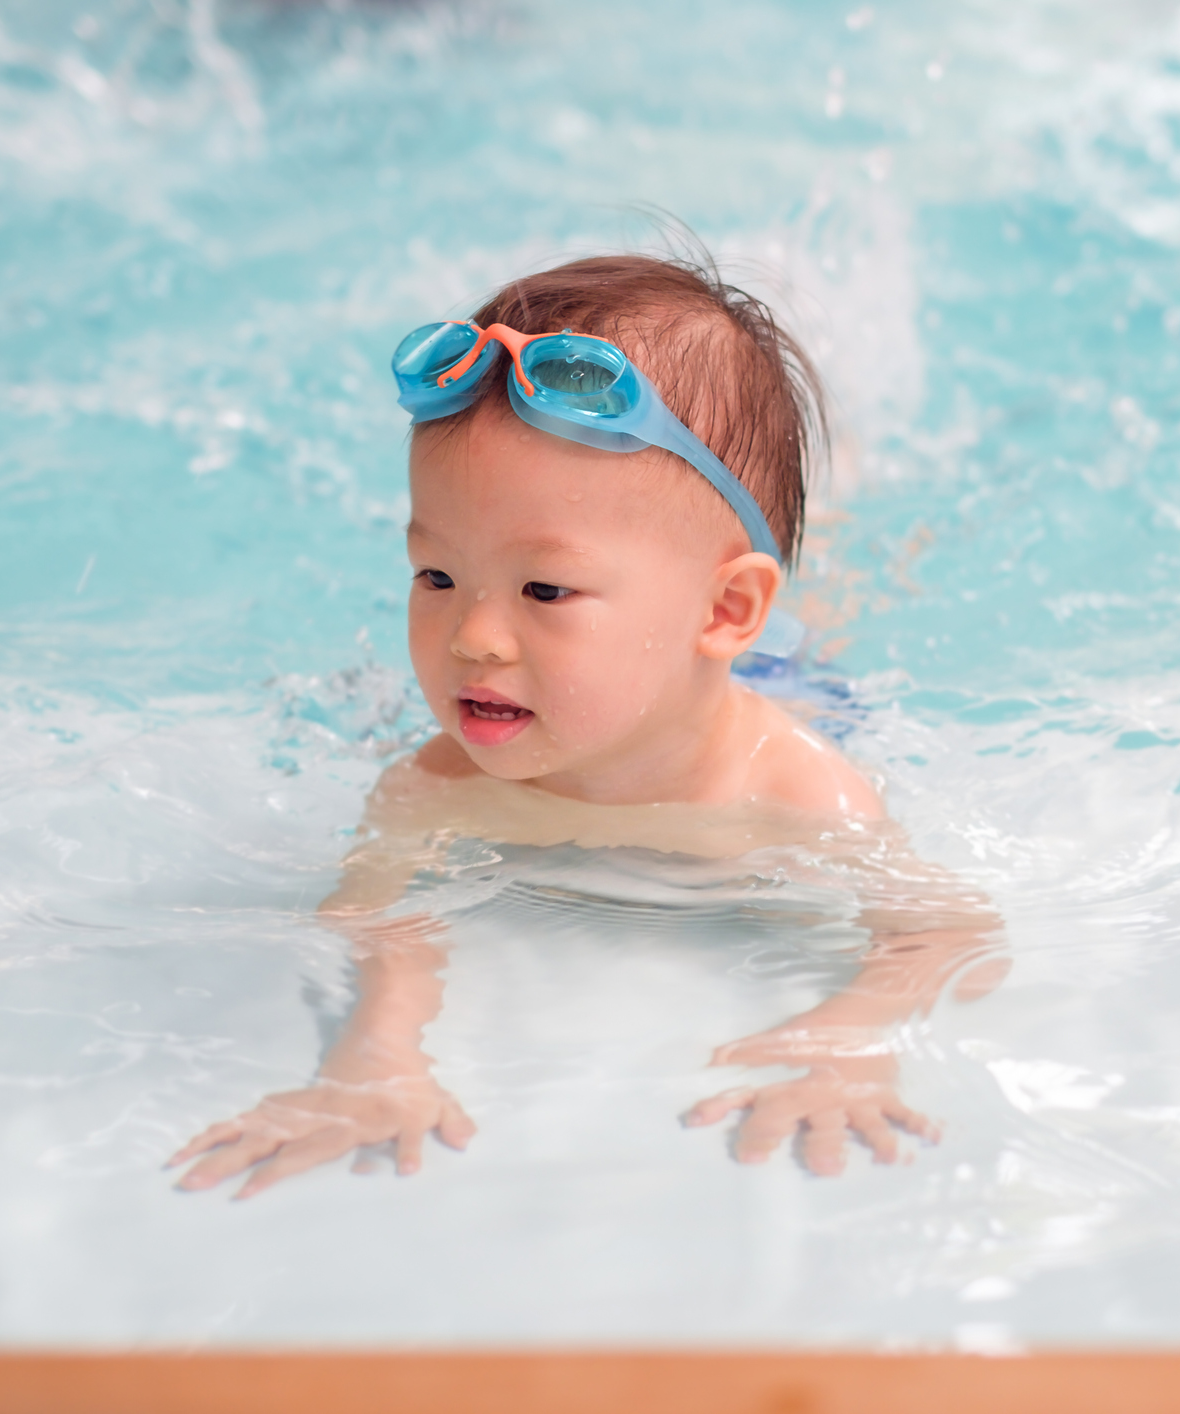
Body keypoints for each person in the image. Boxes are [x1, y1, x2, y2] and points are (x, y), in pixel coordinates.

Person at [169, 254, 1005, 1199]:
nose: (473, 639)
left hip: (788, 678)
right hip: (666, 664)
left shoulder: (793, 789)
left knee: (847, 585)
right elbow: (375, 919)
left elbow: (947, 933)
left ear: (724, 610)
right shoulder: (436, 783)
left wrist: (848, 1037)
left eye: (544, 589)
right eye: (436, 577)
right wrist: (376, 1053)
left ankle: (844, 480)